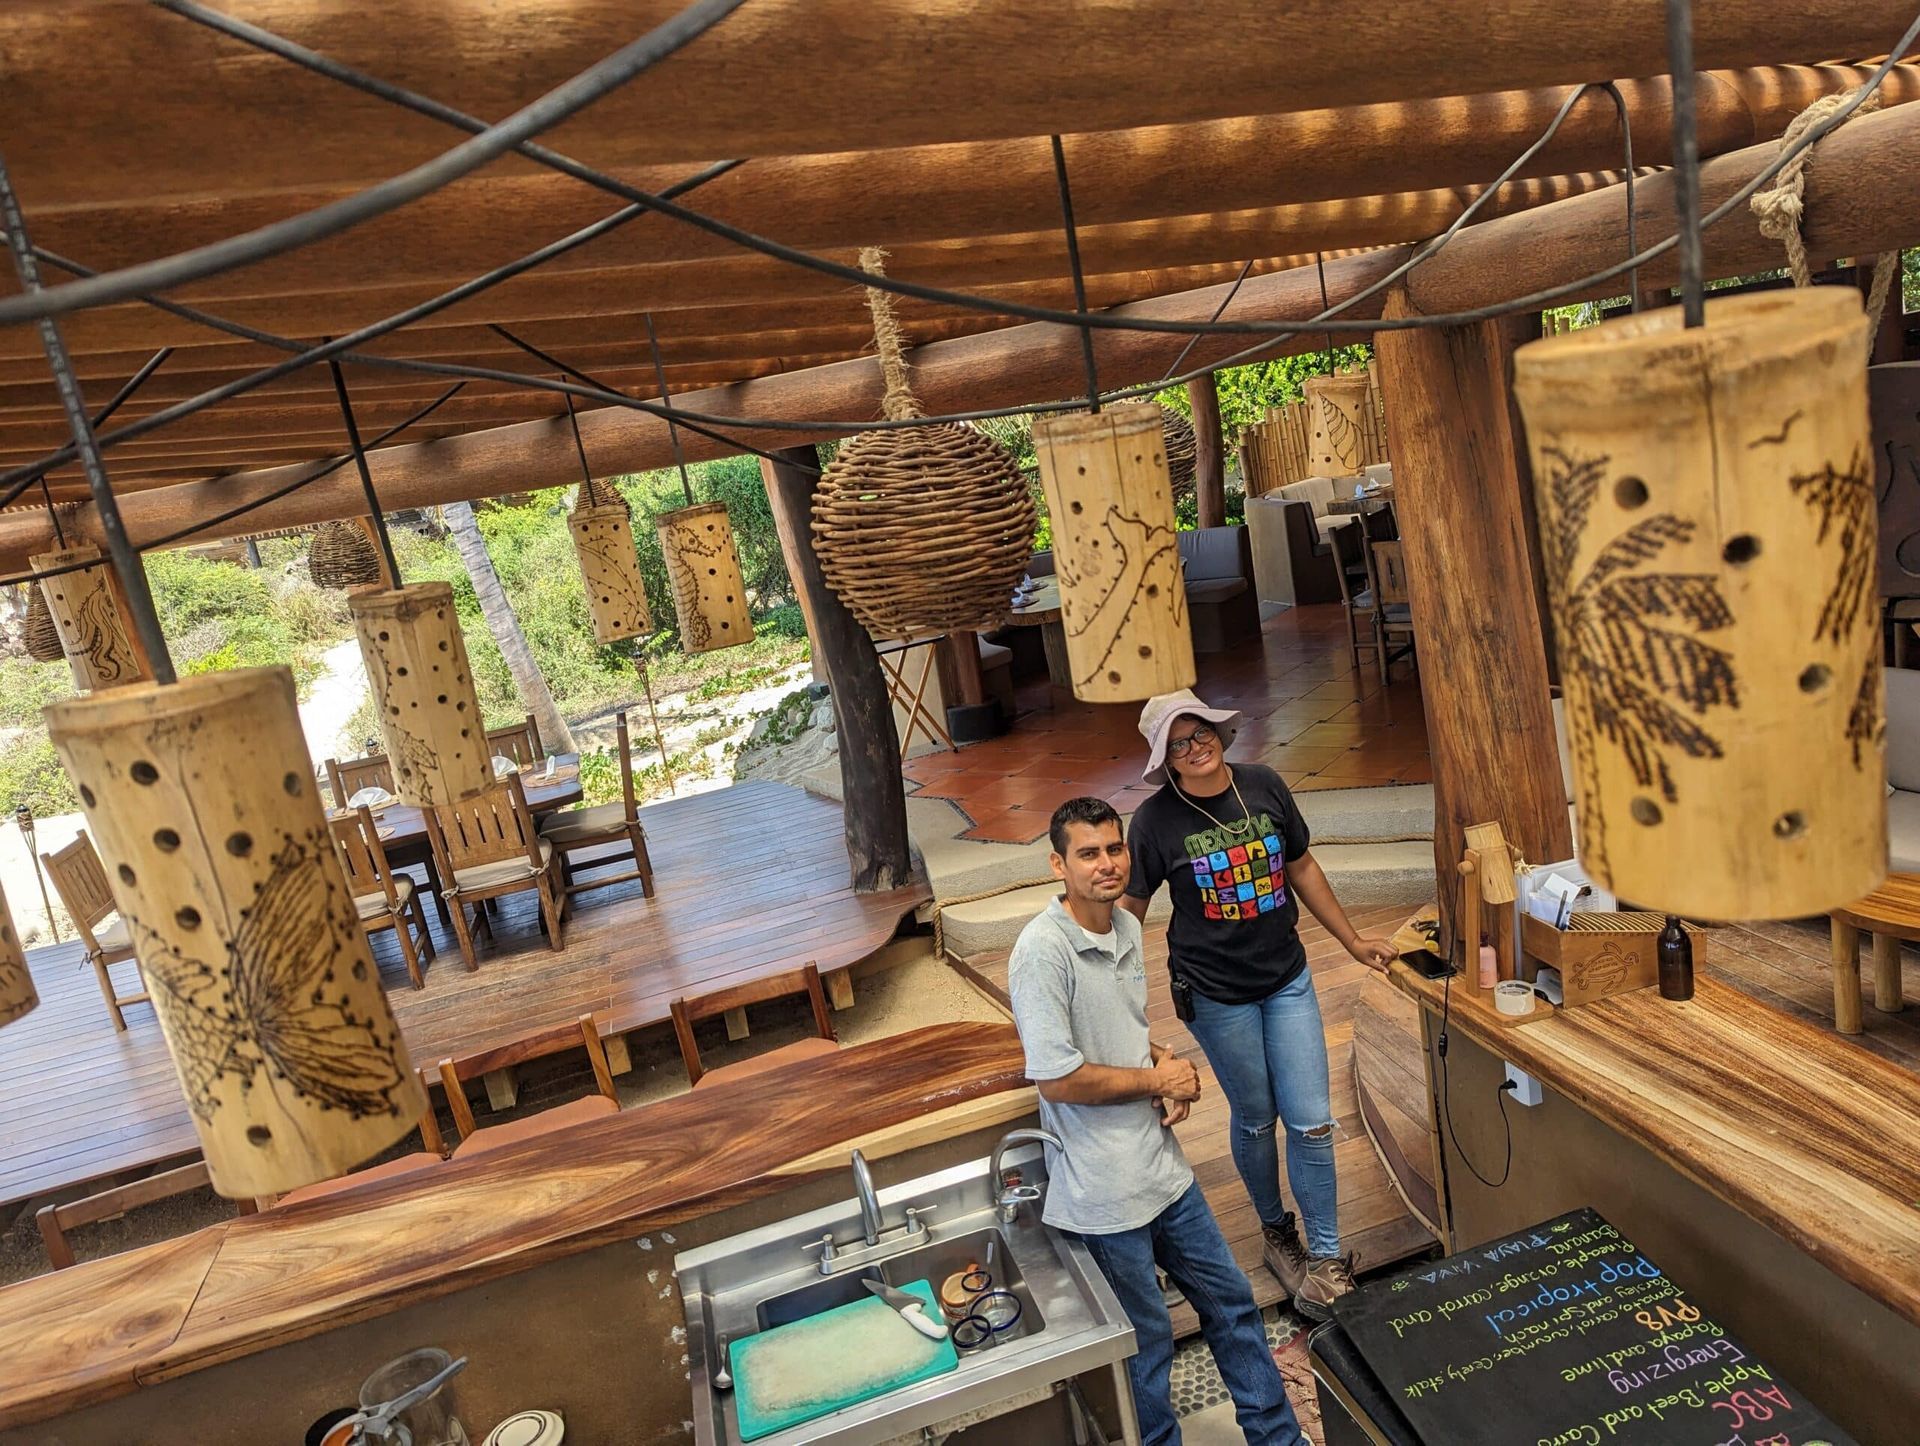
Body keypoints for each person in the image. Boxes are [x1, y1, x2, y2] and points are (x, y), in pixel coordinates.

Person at [1008, 796, 1305, 1446]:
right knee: (1146, 1354)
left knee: (1232, 1306)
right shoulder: (1040, 954)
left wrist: (1165, 1062)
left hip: (1163, 1172)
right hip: (1104, 1197)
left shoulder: (1123, 928)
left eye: (1114, 849)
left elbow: (1125, 1034)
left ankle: (1278, 1439)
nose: (1106, 864)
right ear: (1058, 863)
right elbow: (1056, 1077)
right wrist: (1154, 1079)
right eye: (1088, 853)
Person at [1120, 689, 1396, 1321]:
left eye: (1201, 733)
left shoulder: (1264, 785)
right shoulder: (1156, 822)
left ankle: (1326, 1261)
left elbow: (1300, 867)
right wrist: (1111, 999)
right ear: (1165, 758)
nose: (1196, 748)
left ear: (1220, 731)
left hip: (1287, 977)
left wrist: (1352, 941)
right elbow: (1129, 916)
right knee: (1254, 1117)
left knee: (1310, 1119)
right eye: (1178, 743)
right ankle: (1277, 1233)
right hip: (1214, 992)